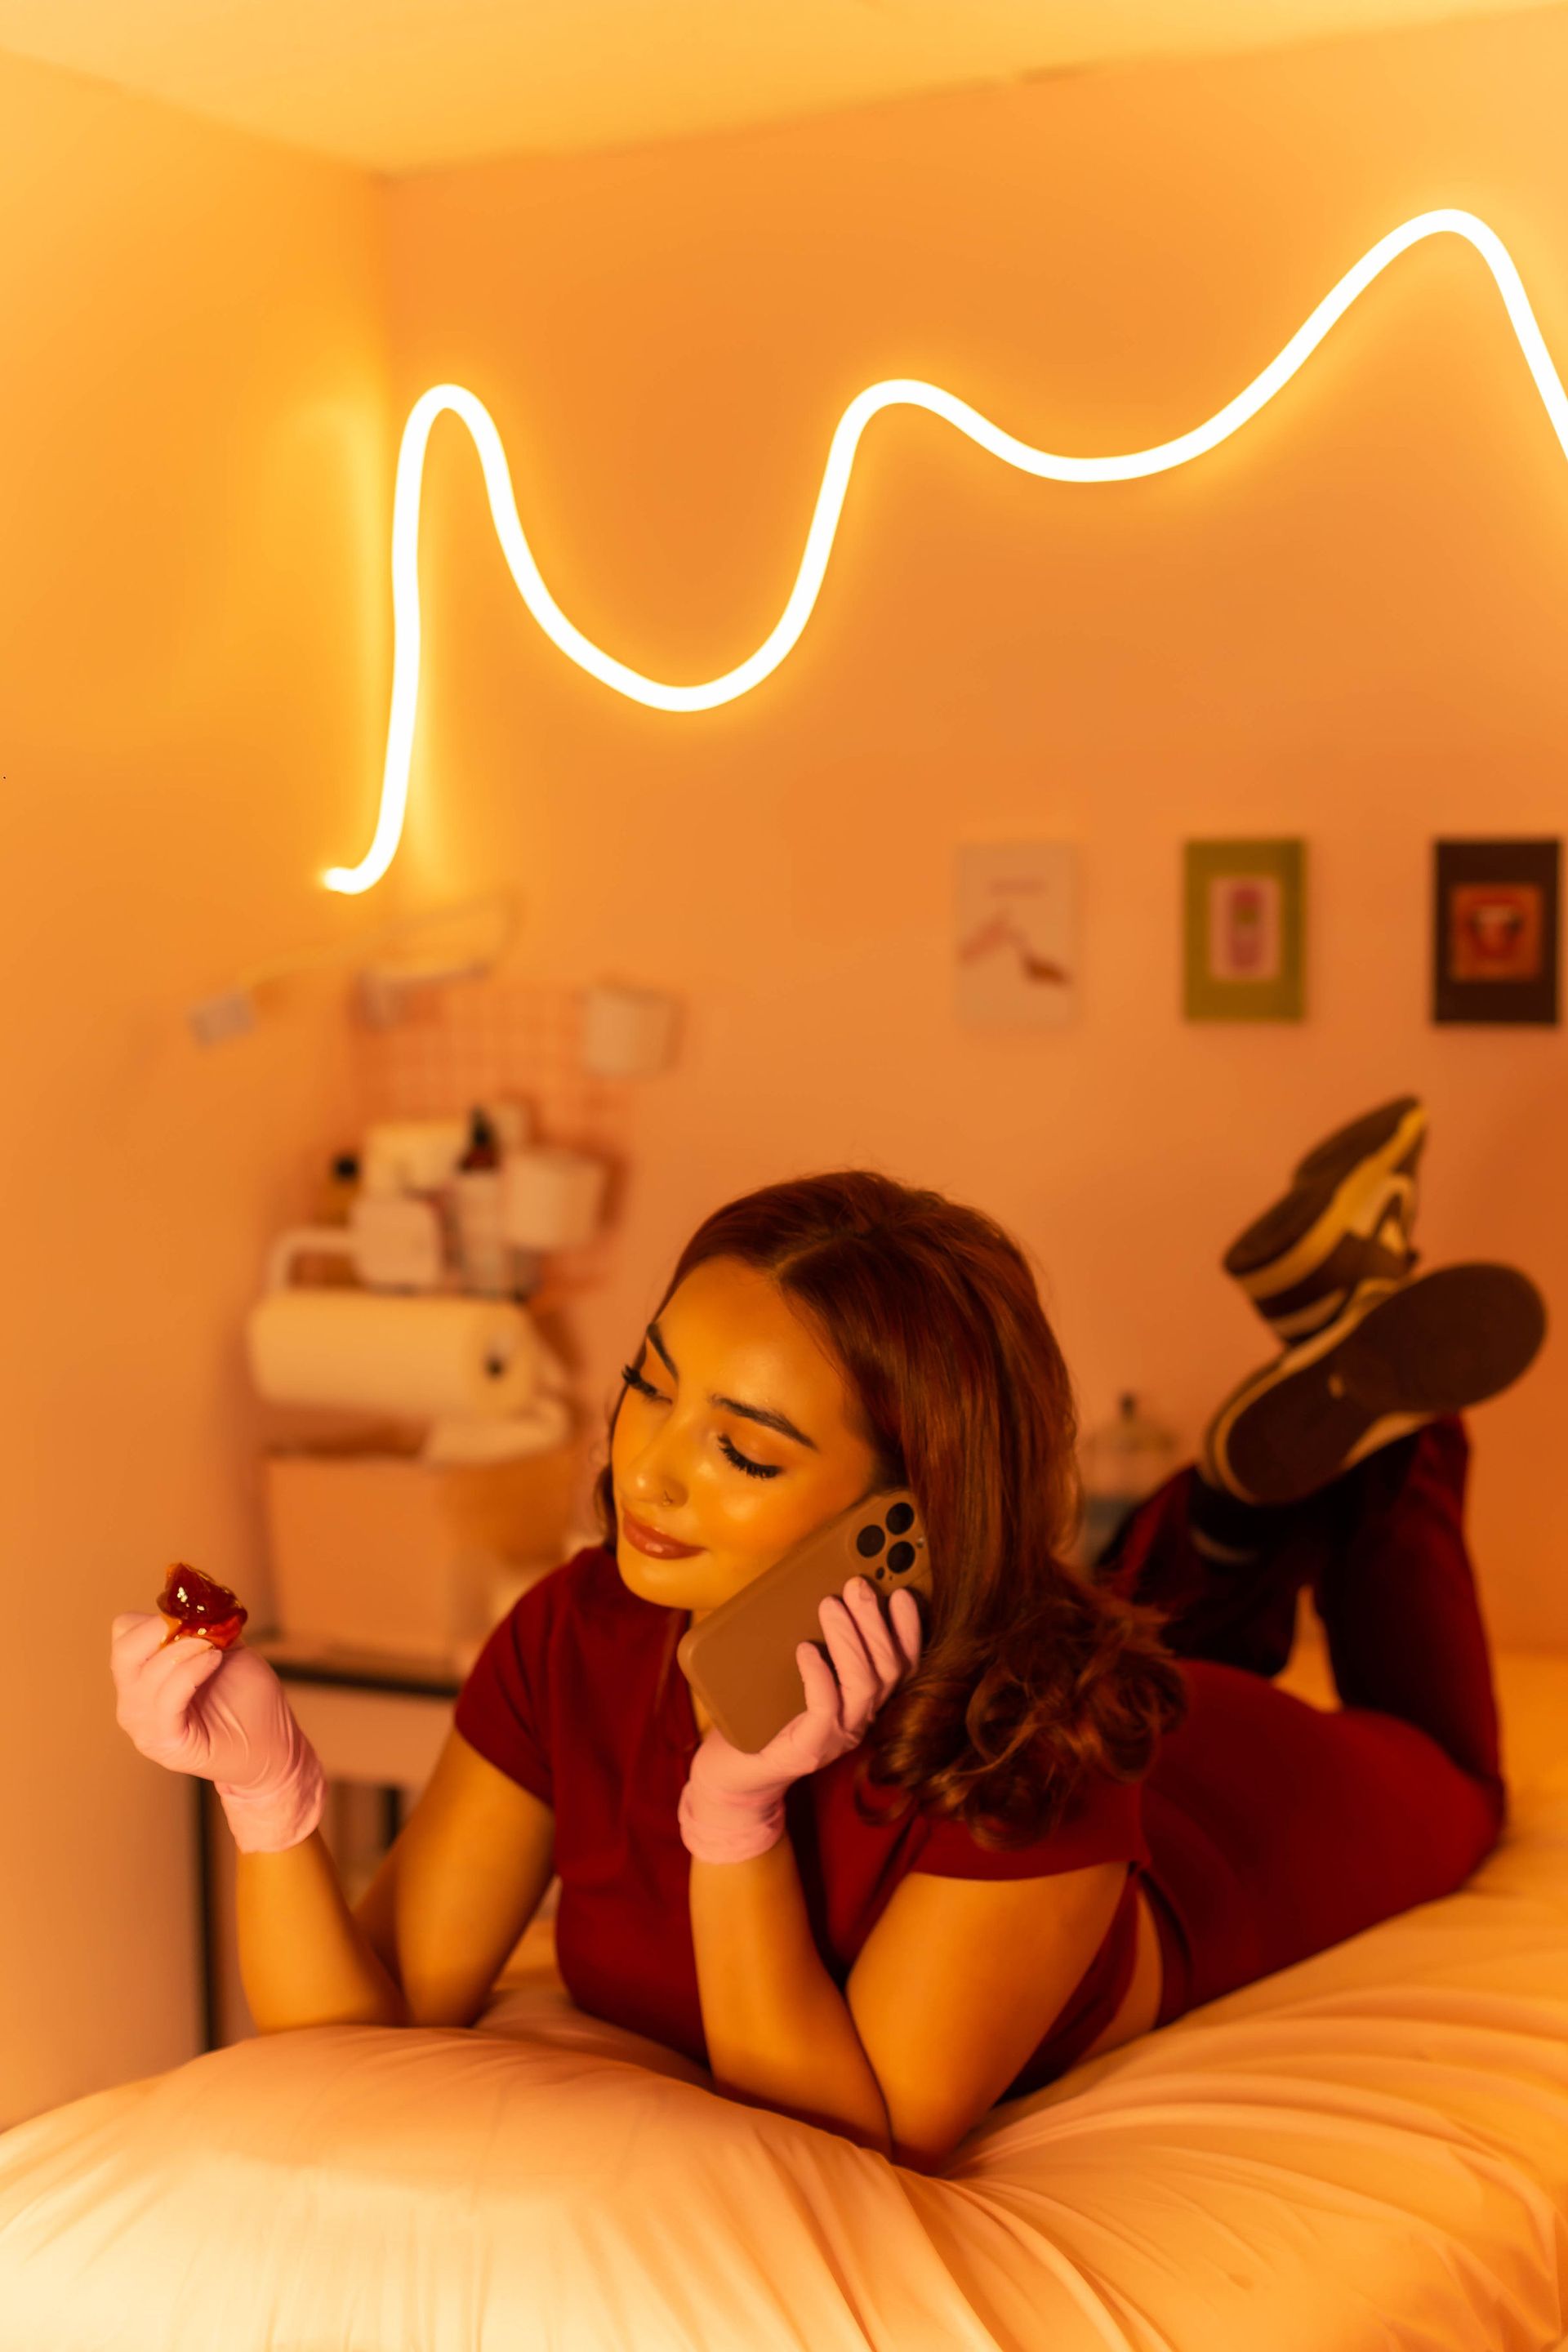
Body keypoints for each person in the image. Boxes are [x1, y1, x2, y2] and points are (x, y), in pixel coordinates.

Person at [109, 1098, 1544, 2175]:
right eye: (649, 1389)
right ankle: (1229, 1512)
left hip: (1218, 1824)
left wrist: (730, 1828)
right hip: (1007, 1642)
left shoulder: (1037, 1741)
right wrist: (269, 1798)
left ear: (907, 1501)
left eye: (742, 1449)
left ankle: (1378, 1446)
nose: (650, 1473)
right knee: (1137, 1624)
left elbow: (856, 2132)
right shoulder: (580, 1633)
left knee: (1450, 1779)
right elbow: (363, 2035)